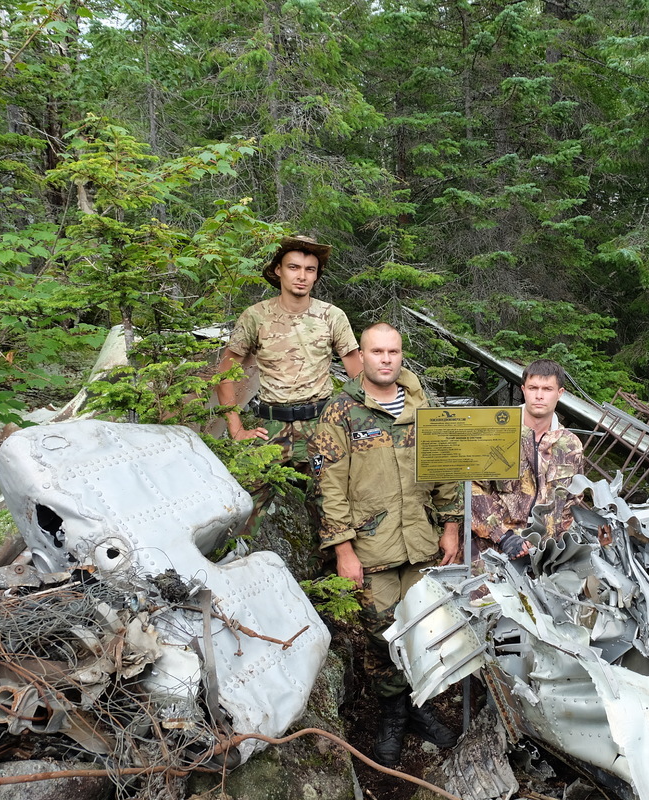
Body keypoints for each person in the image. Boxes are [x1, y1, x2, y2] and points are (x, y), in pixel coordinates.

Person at [310, 322, 462, 766]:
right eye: (377, 351)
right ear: (362, 354)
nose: (386, 359)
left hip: (420, 540)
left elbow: (445, 466)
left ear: (401, 355)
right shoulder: (341, 411)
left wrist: (450, 525)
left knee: (422, 628)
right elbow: (328, 485)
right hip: (371, 548)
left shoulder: (422, 405)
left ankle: (420, 706)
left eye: (393, 352)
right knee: (382, 637)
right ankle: (393, 714)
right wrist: (342, 549)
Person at [214, 234, 363, 464]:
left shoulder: (332, 316)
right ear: (278, 270)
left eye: (310, 269)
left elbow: (358, 376)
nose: (302, 276)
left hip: (321, 427)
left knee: (329, 498)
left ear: (316, 275)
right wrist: (237, 430)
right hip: (270, 428)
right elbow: (224, 375)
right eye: (293, 267)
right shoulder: (255, 316)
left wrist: (354, 423)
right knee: (247, 496)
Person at [471, 359, 585, 554]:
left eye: (547, 389)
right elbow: (474, 490)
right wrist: (504, 536)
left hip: (546, 554)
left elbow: (573, 501)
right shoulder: (496, 434)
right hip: (493, 550)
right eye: (533, 388)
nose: (539, 396)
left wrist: (558, 544)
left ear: (560, 393)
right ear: (523, 389)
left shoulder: (570, 445)